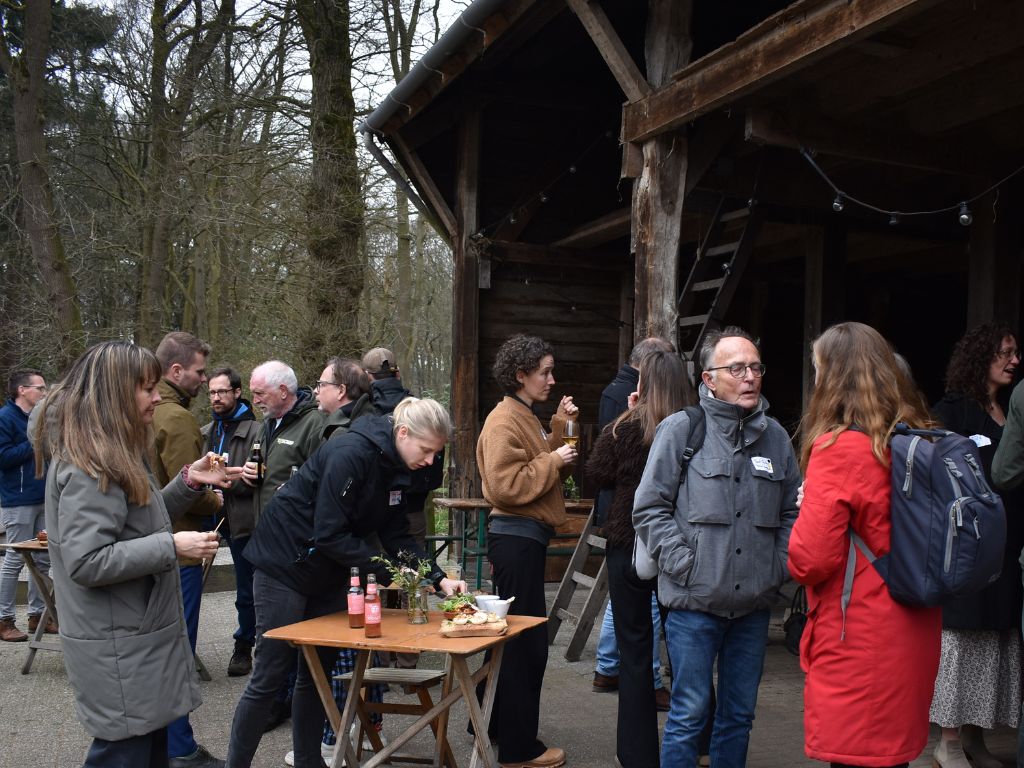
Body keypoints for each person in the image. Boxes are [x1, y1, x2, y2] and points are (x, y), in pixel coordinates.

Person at [225, 397, 465, 768]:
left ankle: (309, 761)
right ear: (403, 433)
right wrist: (391, 574)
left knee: (315, 673)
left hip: (329, 570)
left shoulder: (398, 466)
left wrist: (436, 578)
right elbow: (329, 533)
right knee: (271, 674)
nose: (431, 460)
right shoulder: (349, 452)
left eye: (437, 453)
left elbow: (397, 533)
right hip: (284, 563)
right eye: (427, 450)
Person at [34, 341, 238, 768]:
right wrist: (173, 546)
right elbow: (87, 561)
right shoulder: (90, 464)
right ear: (116, 393)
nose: (158, 396)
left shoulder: (114, 450)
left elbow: (138, 519)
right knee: (123, 754)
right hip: (119, 644)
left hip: (133, 640)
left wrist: (188, 483)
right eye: (147, 388)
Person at [633, 325, 799, 768]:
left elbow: (791, 512)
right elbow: (649, 506)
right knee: (689, 714)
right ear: (709, 378)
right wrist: (685, 565)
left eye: (755, 367)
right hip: (694, 605)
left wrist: (778, 566)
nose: (750, 377)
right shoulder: (682, 429)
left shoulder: (777, 438)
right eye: (737, 368)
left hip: (753, 606)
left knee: (739, 716)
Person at [788, 321, 942, 768]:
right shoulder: (916, 436)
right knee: (893, 757)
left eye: (818, 368)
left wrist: (806, 513)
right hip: (913, 621)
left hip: (860, 633)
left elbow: (810, 560)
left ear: (834, 376)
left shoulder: (839, 449)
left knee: (858, 757)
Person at [586, 349, 693, 768]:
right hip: (680, 547)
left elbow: (595, 474)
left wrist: (620, 421)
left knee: (634, 650)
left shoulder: (626, 429)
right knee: (688, 649)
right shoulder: (696, 431)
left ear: (642, 385)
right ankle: (697, 743)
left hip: (628, 543)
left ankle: (636, 755)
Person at [476, 333, 577, 768]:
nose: (552, 379)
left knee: (509, 639)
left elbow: (532, 459)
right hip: (515, 539)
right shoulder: (503, 420)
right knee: (525, 644)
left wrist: (555, 429)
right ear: (520, 375)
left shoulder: (523, 414)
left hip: (522, 539)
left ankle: (490, 726)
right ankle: (518, 749)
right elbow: (506, 484)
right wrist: (554, 460)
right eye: (544, 372)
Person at [929, 323, 1023, 768]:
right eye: (1004, 352)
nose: (1014, 360)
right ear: (979, 358)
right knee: (960, 643)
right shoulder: (951, 412)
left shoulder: (1010, 411)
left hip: (1005, 549)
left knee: (993, 640)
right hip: (967, 549)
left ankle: (973, 738)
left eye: (1016, 352)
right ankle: (946, 743)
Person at [150, 332, 224, 768]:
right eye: (199, 372)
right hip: (180, 546)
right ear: (175, 371)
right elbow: (190, 489)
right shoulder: (175, 418)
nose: (204, 380)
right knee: (179, 648)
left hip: (161, 544)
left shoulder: (146, 411)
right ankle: (178, 746)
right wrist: (218, 497)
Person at [591, 337, 674, 699]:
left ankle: (612, 669)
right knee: (649, 612)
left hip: (627, 527)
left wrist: (626, 419)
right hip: (652, 532)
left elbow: (597, 470)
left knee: (630, 616)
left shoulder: (627, 418)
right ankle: (645, 682)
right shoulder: (685, 426)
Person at [201, 366, 259, 677]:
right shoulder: (207, 431)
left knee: (246, 588)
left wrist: (222, 484)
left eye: (222, 391)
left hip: (243, 519)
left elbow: (255, 476)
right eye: (211, 392)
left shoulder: (255, 431)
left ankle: (244, 646)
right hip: (210, 515)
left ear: (237, 392)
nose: (216, 397)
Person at [0, 368, 52, 642]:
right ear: (23, 390)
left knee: (43, 558)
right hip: (18, 500)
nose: (44, 393)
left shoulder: (40, 417)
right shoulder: (5, 418)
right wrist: (34, 443)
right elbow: (3, 457)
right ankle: (4, 620)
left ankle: (38, 616)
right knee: (15, 559)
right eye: (40, 388)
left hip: (43, 497)